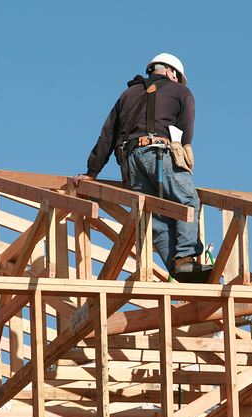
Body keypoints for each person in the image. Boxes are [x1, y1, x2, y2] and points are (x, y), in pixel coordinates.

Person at [74, 53, 210, 283]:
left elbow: (107, 135)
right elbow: (186, 132)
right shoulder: (181, 91)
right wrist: (184, 148)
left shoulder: (127, 94)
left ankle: (180, 272)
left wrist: (91, 172)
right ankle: (185, 258)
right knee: (187, 200)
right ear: (170, 72)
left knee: (158, 220)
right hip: (157, 154)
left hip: (129, 162)